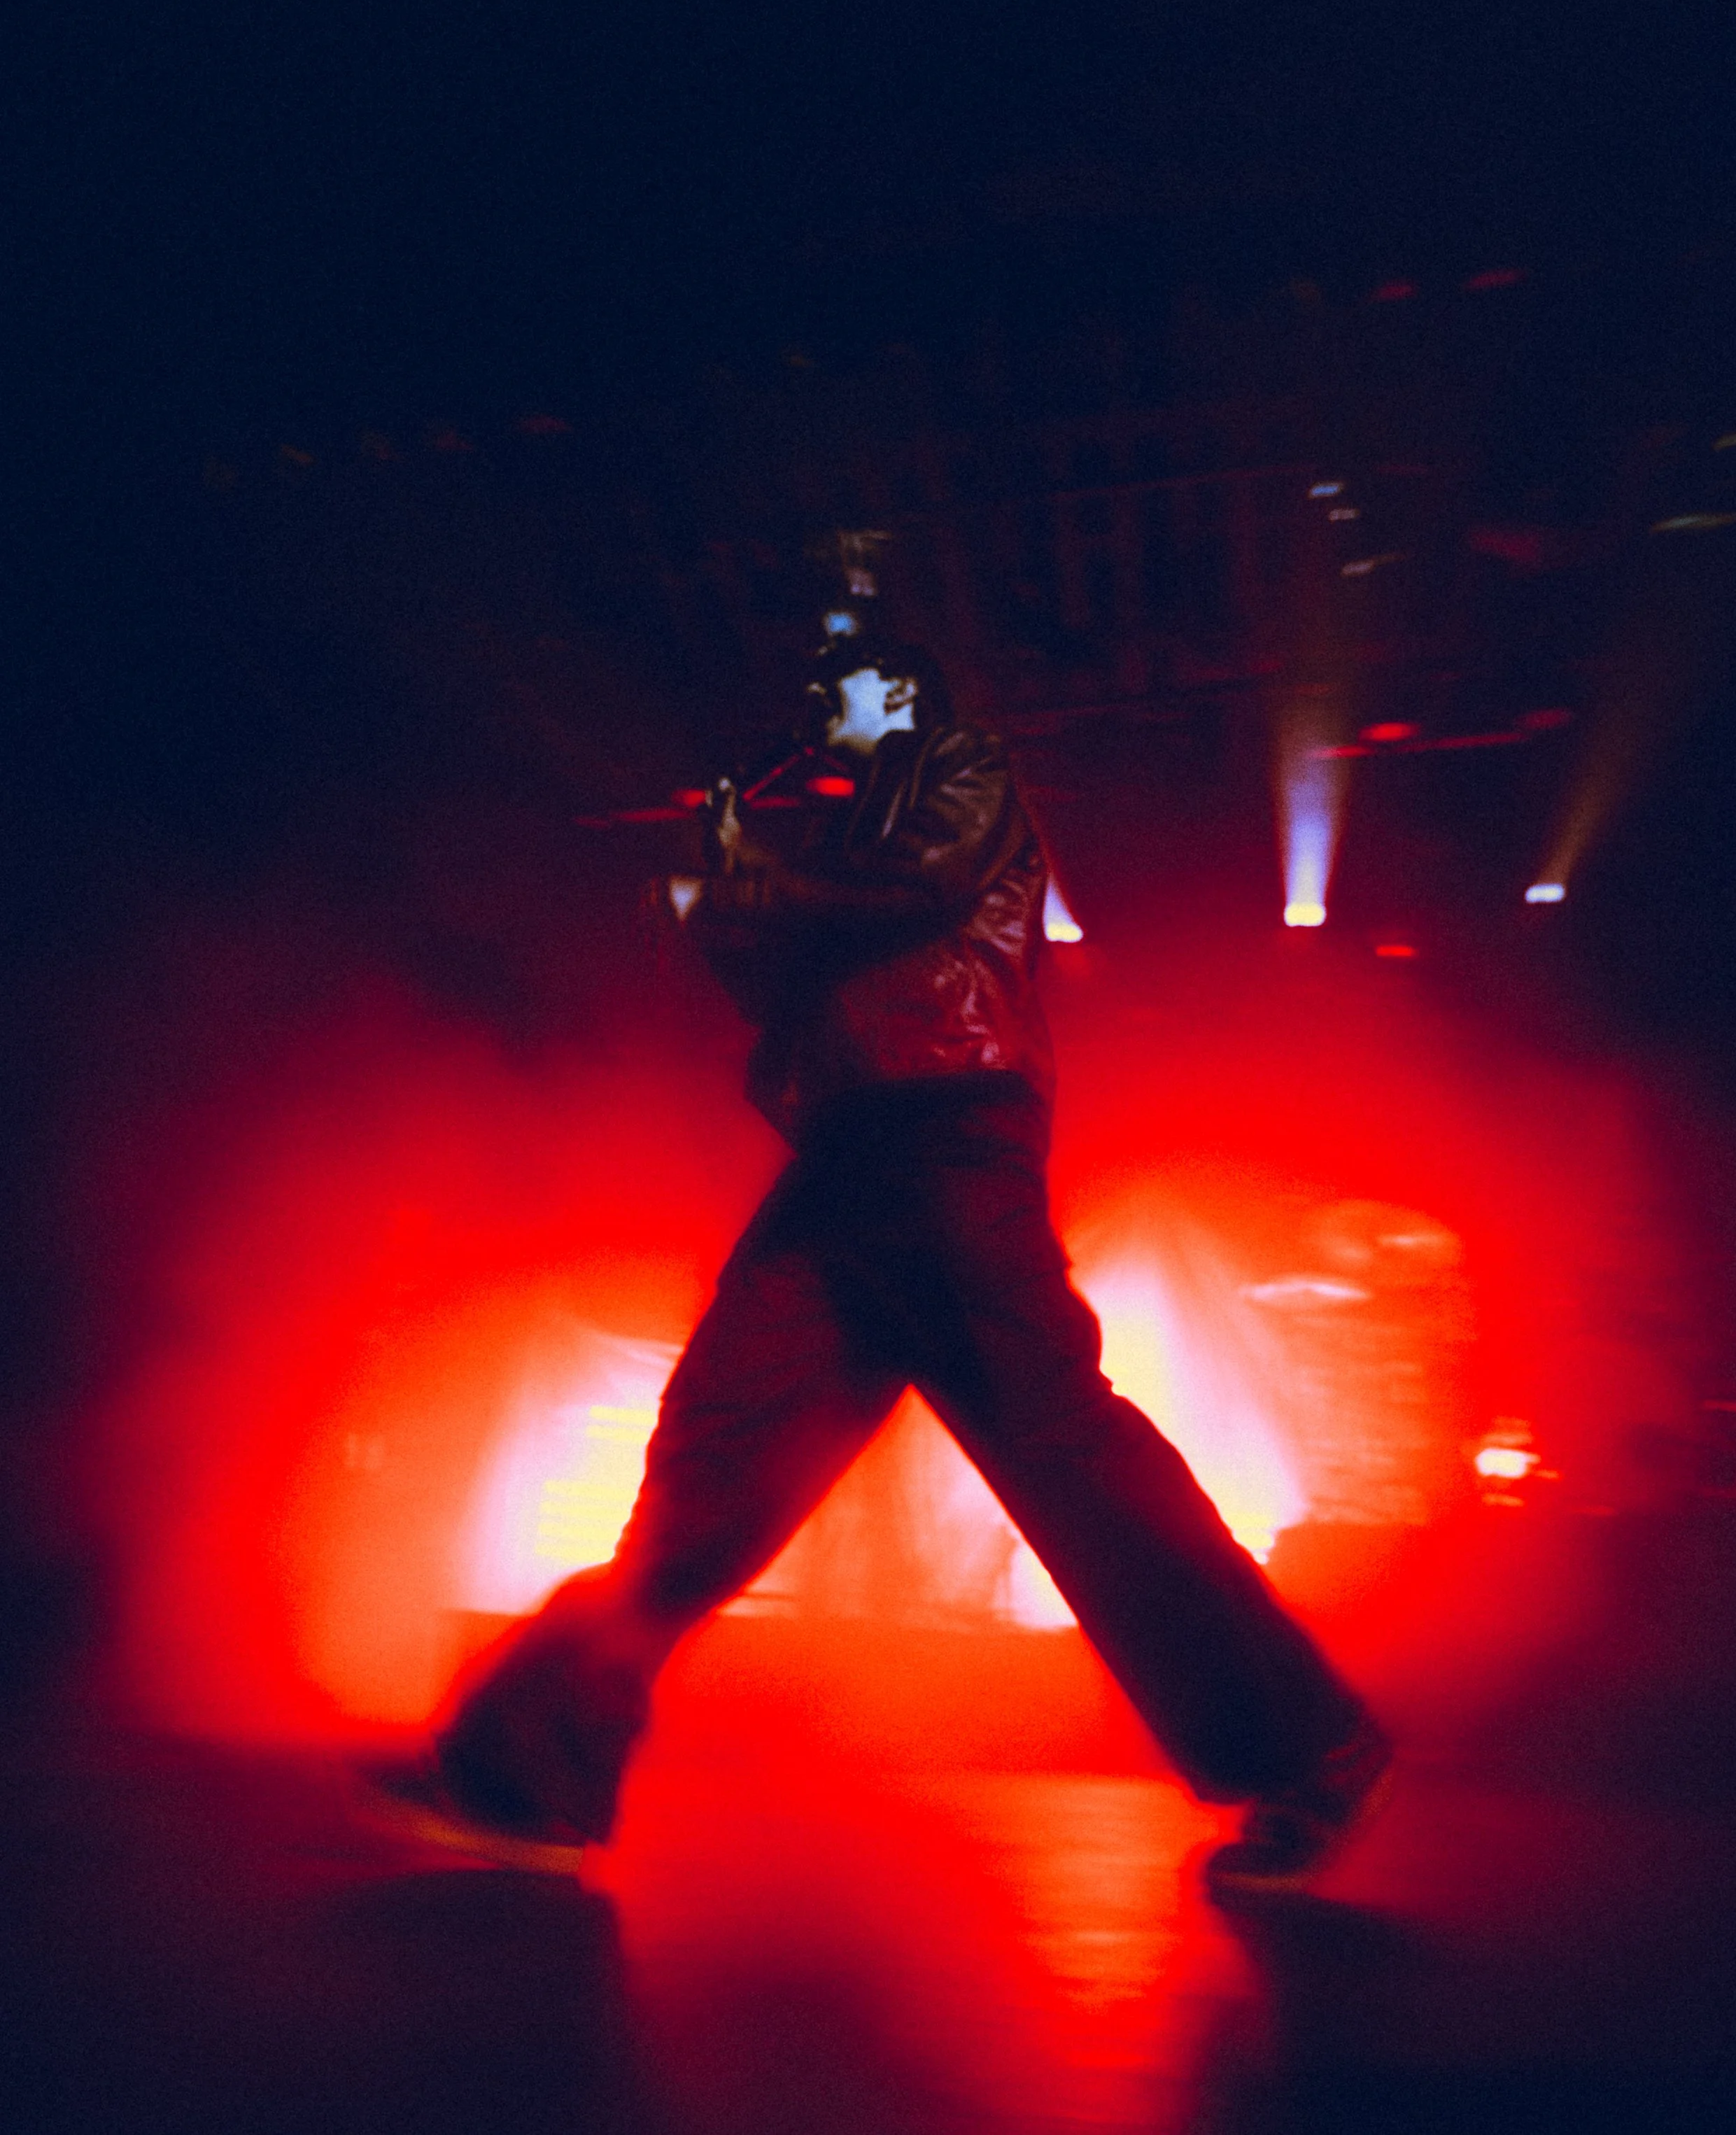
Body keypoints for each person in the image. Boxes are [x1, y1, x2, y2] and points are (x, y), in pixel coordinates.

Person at [367, 640, 1389, 1892]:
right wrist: (720, 888)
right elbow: (773, 982)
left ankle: (1311, 1751)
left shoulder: (962, 771)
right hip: (850, 1153)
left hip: (946, 1129)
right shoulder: (843, 843)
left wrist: (752, 874)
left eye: (840, 691)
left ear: (903, 697)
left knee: (1066, 1454)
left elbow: (916, 888)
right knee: (708, 1474)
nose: (817, 708)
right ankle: (520, 1777)